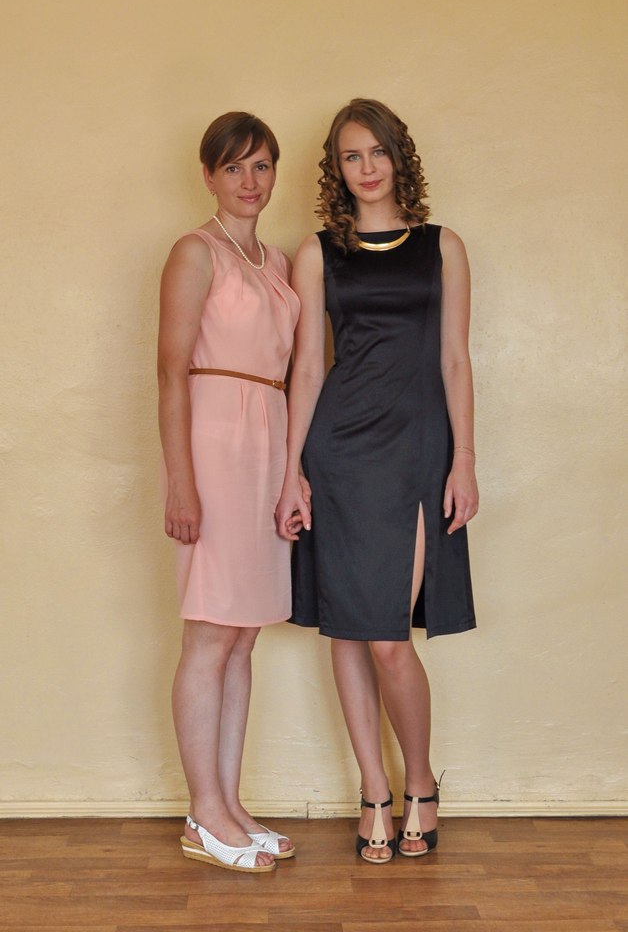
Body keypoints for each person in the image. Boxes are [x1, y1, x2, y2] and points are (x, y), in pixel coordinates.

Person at [275, 98, 478, 864]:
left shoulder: (442, 246)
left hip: (417, 449)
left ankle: (420, 780)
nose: (366, 168)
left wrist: (464, 460)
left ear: (399, 156)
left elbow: (454, 359)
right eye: (351, 156)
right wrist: (292, 471)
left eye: (377, 152)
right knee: (351, 628)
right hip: (341, 451)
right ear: (337, 168)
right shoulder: (317, 252)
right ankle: (374, 793)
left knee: (390, 638)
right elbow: (306, 368)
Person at [158, 112, 302, 873]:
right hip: (214, 445)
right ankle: (202, 812)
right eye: (235, 167)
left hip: (267, 440)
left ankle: (228, 802)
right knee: (210, 632)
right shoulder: (195, 251)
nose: (251, 181)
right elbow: (169, 372)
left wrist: (292, 471)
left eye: (262, 165)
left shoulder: (277, 261)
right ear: (209, 176)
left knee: (244, 634)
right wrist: (182, 481)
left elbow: (292, 369)